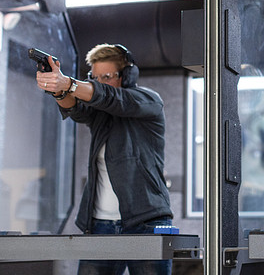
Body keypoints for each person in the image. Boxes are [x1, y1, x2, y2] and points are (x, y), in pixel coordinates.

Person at [35, 43, 173, 275]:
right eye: (95, 77)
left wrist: (68, 83)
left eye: (106, 76)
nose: (99, 83)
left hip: (145, 222)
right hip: (99, 225)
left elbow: (112, 98)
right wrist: (58, 90)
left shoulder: (148, 101)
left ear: (127, 75)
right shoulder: (99, 112)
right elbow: (75, 108)